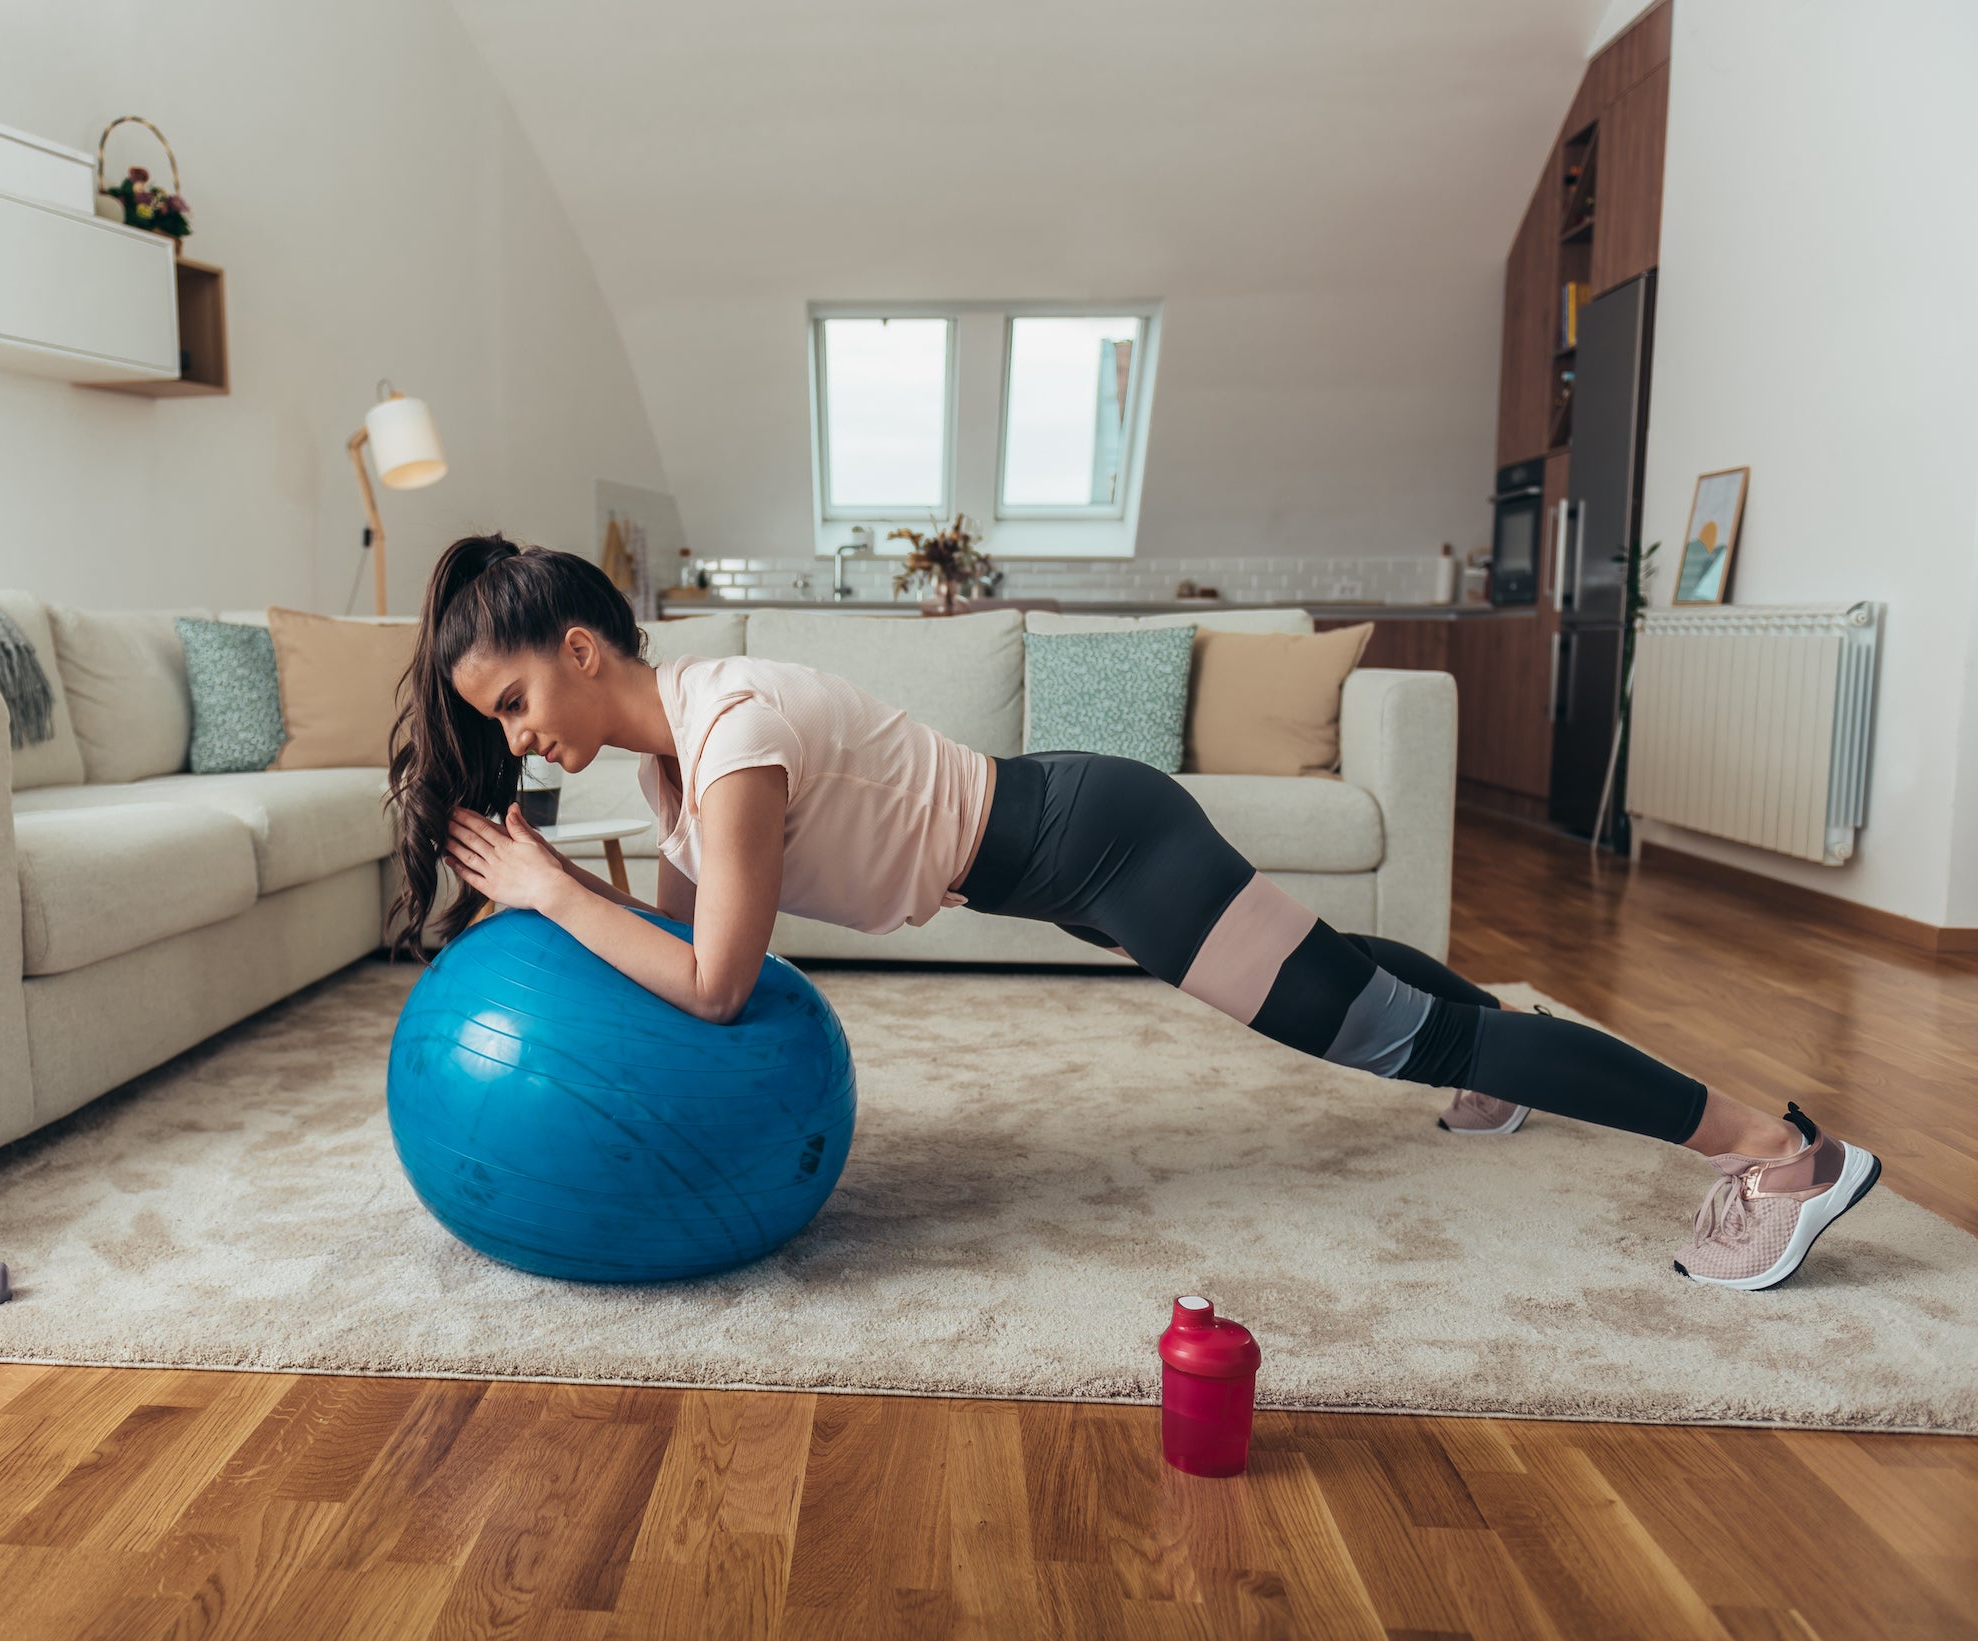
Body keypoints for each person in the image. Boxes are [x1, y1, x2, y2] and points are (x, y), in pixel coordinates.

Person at [387, 536, 1881, 1293]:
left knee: (1375, 1034)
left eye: (517, 702)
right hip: (1068, 852)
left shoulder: (733, 739)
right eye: (498, 727)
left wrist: (538, 887)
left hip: (1104, 846)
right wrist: (560, 884)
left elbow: (715, 990)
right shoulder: (673, 767)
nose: (522, 740)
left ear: (583, 646)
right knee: (1366, 986)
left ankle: (1776, 1150)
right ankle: (1489, 1049)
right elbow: (673, 980)